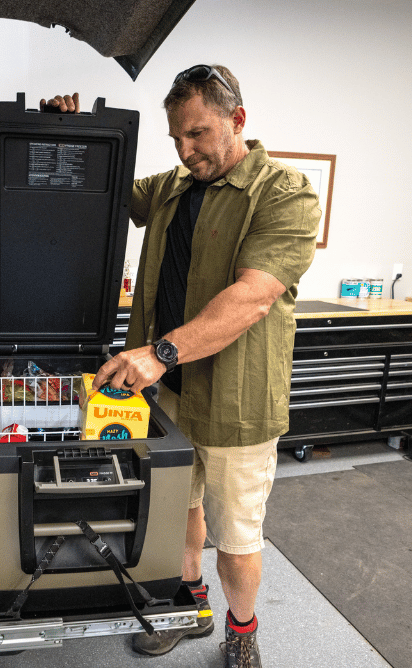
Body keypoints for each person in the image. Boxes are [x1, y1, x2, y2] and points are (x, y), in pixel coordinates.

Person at [41, 65, 320, 667]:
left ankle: (241, 632)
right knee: (179, 510)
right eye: (175, 139)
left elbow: (253, 297)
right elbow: (108, 183)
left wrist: (159, 353)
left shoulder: (284, 192)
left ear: (237, 120)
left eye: (196, 134)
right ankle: (186, 610)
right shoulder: (171, 186)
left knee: (238, 537)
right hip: (168, 399)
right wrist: (70, 129)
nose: (185, 151)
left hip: (234, 402)